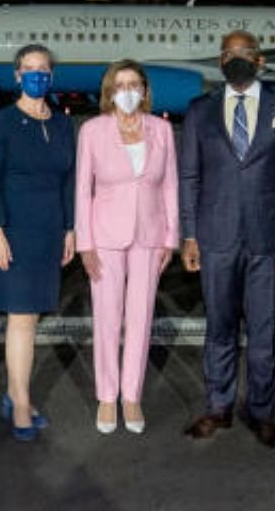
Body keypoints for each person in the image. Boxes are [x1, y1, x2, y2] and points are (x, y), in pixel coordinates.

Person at [179, 31, 275, 449]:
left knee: (264, 330)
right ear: (219, 62)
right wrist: (189, 235)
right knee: (218, 326)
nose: (237, 60)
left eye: (245, 54)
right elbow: (190, 177)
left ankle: (262, 411)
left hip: (268, 239)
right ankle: (218, 406)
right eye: (229, 54)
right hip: (215, 238)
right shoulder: (200, 110)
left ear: (261, 60)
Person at [0, 44, 75, 442]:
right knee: (22, 318)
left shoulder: (63, 124)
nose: (37, 75)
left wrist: (70, 229)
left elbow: (69, 181)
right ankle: (22, 403)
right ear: (16, 75)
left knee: (33, 315)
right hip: (13, 230)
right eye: (29, 69)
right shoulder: (2, 123)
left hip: (49, 230)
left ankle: (14, 394)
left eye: (43, 68)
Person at [75, 60, 178, 435]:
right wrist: (85, 243)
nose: (128, 91)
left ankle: (131, 394)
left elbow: (169, 186)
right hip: (105, 237)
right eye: (121, 85)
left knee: (141, 316)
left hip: (150, 236)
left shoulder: (162, 130)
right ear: (109, 91)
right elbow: (82, 189)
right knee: (106, 317)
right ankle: (106, 395)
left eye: (135, 84)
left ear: (145, 90)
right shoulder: (92, 130)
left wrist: (171, 237)